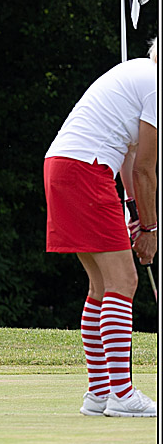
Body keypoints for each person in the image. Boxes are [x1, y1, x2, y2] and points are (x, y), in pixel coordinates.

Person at [44, 37, 157, 418]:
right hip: (85, 169)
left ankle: (99, 393)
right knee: (124, 282)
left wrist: (133, 212)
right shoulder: (156, 84)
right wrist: (151, 230)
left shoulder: (139, 73)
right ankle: (122, 395)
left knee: (102, 285)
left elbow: (128, 157)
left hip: (62, 167)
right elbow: (145, 170)